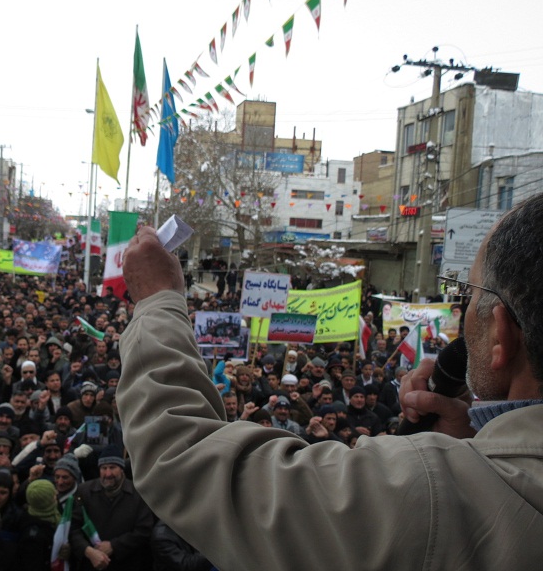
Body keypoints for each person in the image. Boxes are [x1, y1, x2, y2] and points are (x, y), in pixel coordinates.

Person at [117, 209, 543, 570]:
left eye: (467, 295)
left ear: (502, 333)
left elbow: (181, 458)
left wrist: (158, 300)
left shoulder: (435, 492)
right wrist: (475, 444)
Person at [69, 445, 154, 571]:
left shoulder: (138, 494)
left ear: (121, 469)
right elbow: (74, 528)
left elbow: (144, 530)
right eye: (104, 468)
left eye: (112, 468)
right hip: (92, 564)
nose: (108, 473)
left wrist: (114, 546)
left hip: (127, 564)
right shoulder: (84, 491)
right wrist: (89, 551)